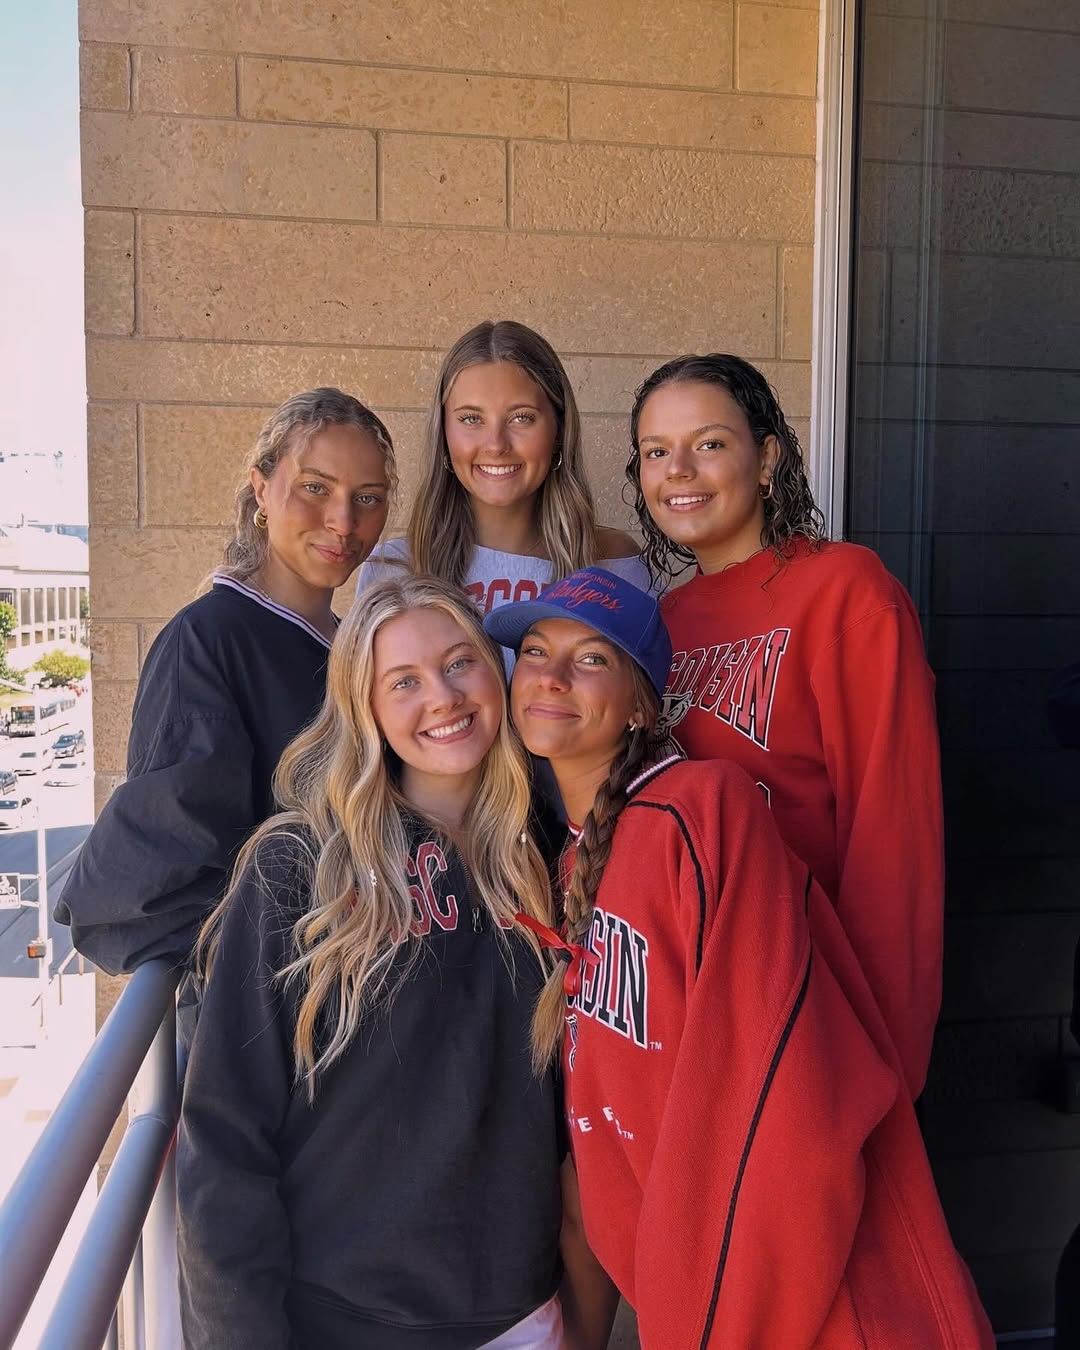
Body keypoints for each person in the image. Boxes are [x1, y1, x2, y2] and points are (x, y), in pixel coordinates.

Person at [485, 567, 993, 1349]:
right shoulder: (573, 865)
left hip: (824, 1312)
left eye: (590, 659)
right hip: (709, 1311)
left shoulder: (702, 812)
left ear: (642, 706)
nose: (550, 677)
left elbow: (785, 1115)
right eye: (536, 652)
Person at [178, 576, 592, 1349]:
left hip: (520, 1315)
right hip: (344, 1318)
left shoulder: (551, 855)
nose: (443, 696)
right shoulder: (301, 867)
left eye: (460, 662)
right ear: (362, 707)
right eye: (403, 681)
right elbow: (224, 1138)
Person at [627, 354, 943, 1097]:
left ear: (766, 457)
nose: (679, 471)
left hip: (813, 1015)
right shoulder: (659, 623)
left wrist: (886, 1064)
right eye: (655, 451)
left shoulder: (845, 591)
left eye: (709, 443)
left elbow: (893, 838)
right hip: (694, 1013)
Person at [55, 388, 396, 985]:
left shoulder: (351, 644)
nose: (344, 522)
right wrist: (282, 967)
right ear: (262, 488)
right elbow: (154, 887)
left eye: (367, 498)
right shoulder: (208, 641)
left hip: (362, 993)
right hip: (275, 1011)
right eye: (315, 488)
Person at [356, 320, 650, 621]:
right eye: (471, 419)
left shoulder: (614, 564)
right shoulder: (393, 569)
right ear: (443, 433)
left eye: (522, 418)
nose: (496, 445)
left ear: (560, 430)